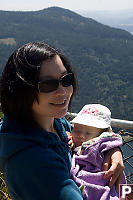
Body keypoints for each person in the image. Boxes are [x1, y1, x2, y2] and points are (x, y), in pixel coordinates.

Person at [0, 42, 124, 200]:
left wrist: (112, 150)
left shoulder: (56, 124)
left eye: (66, 79)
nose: (63, 91)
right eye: (48, 84)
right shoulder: (33, 162)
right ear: (21, 90)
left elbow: (97, 136)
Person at [69, 104, 126, 200]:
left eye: (88, 133)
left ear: (101, 135)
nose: (81, 136)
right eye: (77, 131)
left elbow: (111, 141)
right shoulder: (71, 142)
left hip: (100, 186)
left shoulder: (98, 147)